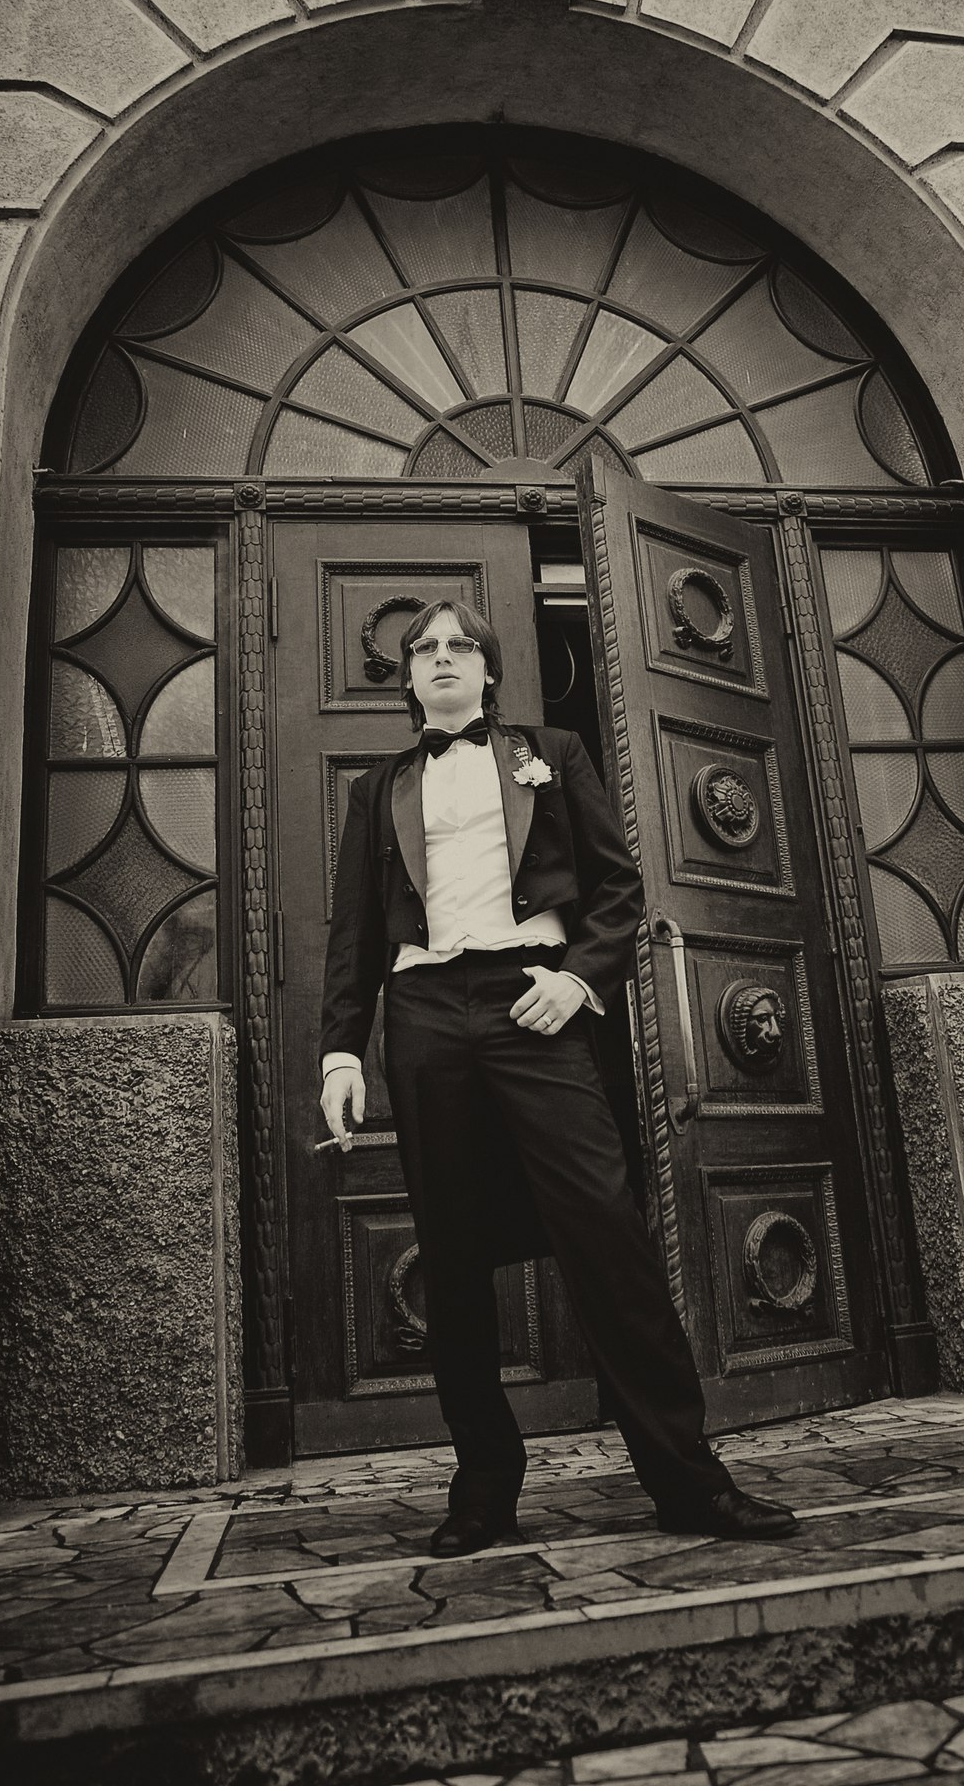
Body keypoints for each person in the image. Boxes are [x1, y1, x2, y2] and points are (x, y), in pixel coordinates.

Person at [319, 598, 796, 1555]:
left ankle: (687, 1482)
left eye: (461, 646)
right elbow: (353, 931)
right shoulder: (377, 790)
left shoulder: (553, 753)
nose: (444, 658)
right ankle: (483, 1490)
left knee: (606, 1235)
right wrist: (340, 1051)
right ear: (407, 674)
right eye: (426, 648)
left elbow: (617, 887)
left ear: (488, 668)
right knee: (451, 1253)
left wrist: (578, 981)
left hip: (534, 1002)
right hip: (423, 1015)